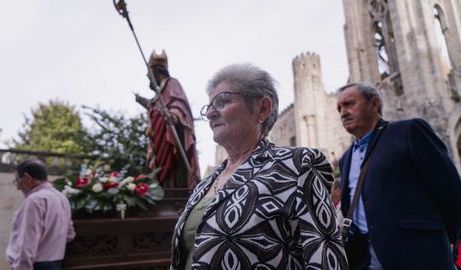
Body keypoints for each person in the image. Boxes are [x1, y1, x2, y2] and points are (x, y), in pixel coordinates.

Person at [170, 63, 348, 269]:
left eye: (222, 101)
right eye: (208, 106)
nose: (210, 113)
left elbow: (326, 256)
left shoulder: (296, 166)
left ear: (262, 109)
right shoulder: (204, 184)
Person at [336, 82, 461, 270]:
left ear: (374, 104)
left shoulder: (408, 131)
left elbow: (448, 188)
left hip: (418, 254)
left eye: (349, 104)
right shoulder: (345, 158)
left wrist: (451, 240)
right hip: (367, 258)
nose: (343, 112)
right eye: (339, 108)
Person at [135, 50, 199, 189]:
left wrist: (174, 116)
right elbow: (156, 108)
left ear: (157, 72)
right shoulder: (159, 93)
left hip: (173, 140)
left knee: (173, 170)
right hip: (160, 141)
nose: (149, 80)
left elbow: (178, 104)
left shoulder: (172, 83)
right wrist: (144, 102)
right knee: (161, 171)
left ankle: (177, 195)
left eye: (149, 75)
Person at [6, 159, 75, 270]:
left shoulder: (35, 200)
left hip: (34, 266)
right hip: (55, 265)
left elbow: (26, 245)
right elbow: (70, 234)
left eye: (17, 181)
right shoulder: (62, 198)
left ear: (27, 178)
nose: (18, 187)